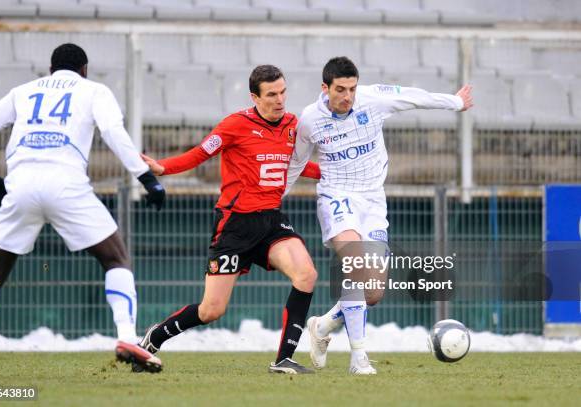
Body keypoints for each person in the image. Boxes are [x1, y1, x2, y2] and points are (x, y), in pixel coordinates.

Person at [0, 43, 166, 372]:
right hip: (65, 184)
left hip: (21, 183)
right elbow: (113, 132)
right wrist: (146, 178)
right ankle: (128, 336)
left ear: (50, 69)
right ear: (84, 69)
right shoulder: (94, 91)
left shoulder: (24, 91)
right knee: (115, 257)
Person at [285, 56, 473, 375]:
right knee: (355, 265)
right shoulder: (309, 120)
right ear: (325, 88)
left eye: (352, 89)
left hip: (373, 202)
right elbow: (296, 163)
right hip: (337, 197)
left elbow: (414, 96)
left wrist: (454, 102)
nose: (347, 96)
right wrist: (273, 198)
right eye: (340, 89)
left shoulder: (372, 100)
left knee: (373, 292)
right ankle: (359, 358)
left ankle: (322, 327)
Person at [138, 65, 321, 374]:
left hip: (272, 222)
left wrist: (335, 174)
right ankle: (154, 337)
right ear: (255, 97)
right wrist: (163, 168)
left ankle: (283, 359)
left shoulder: (292, 125)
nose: (280, 100)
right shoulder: (235, 125)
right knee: (212, 310)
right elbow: (200, 153)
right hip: (234, 226)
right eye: (272, 94)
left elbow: (297, 165)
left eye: (283, 92)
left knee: (306, 275)